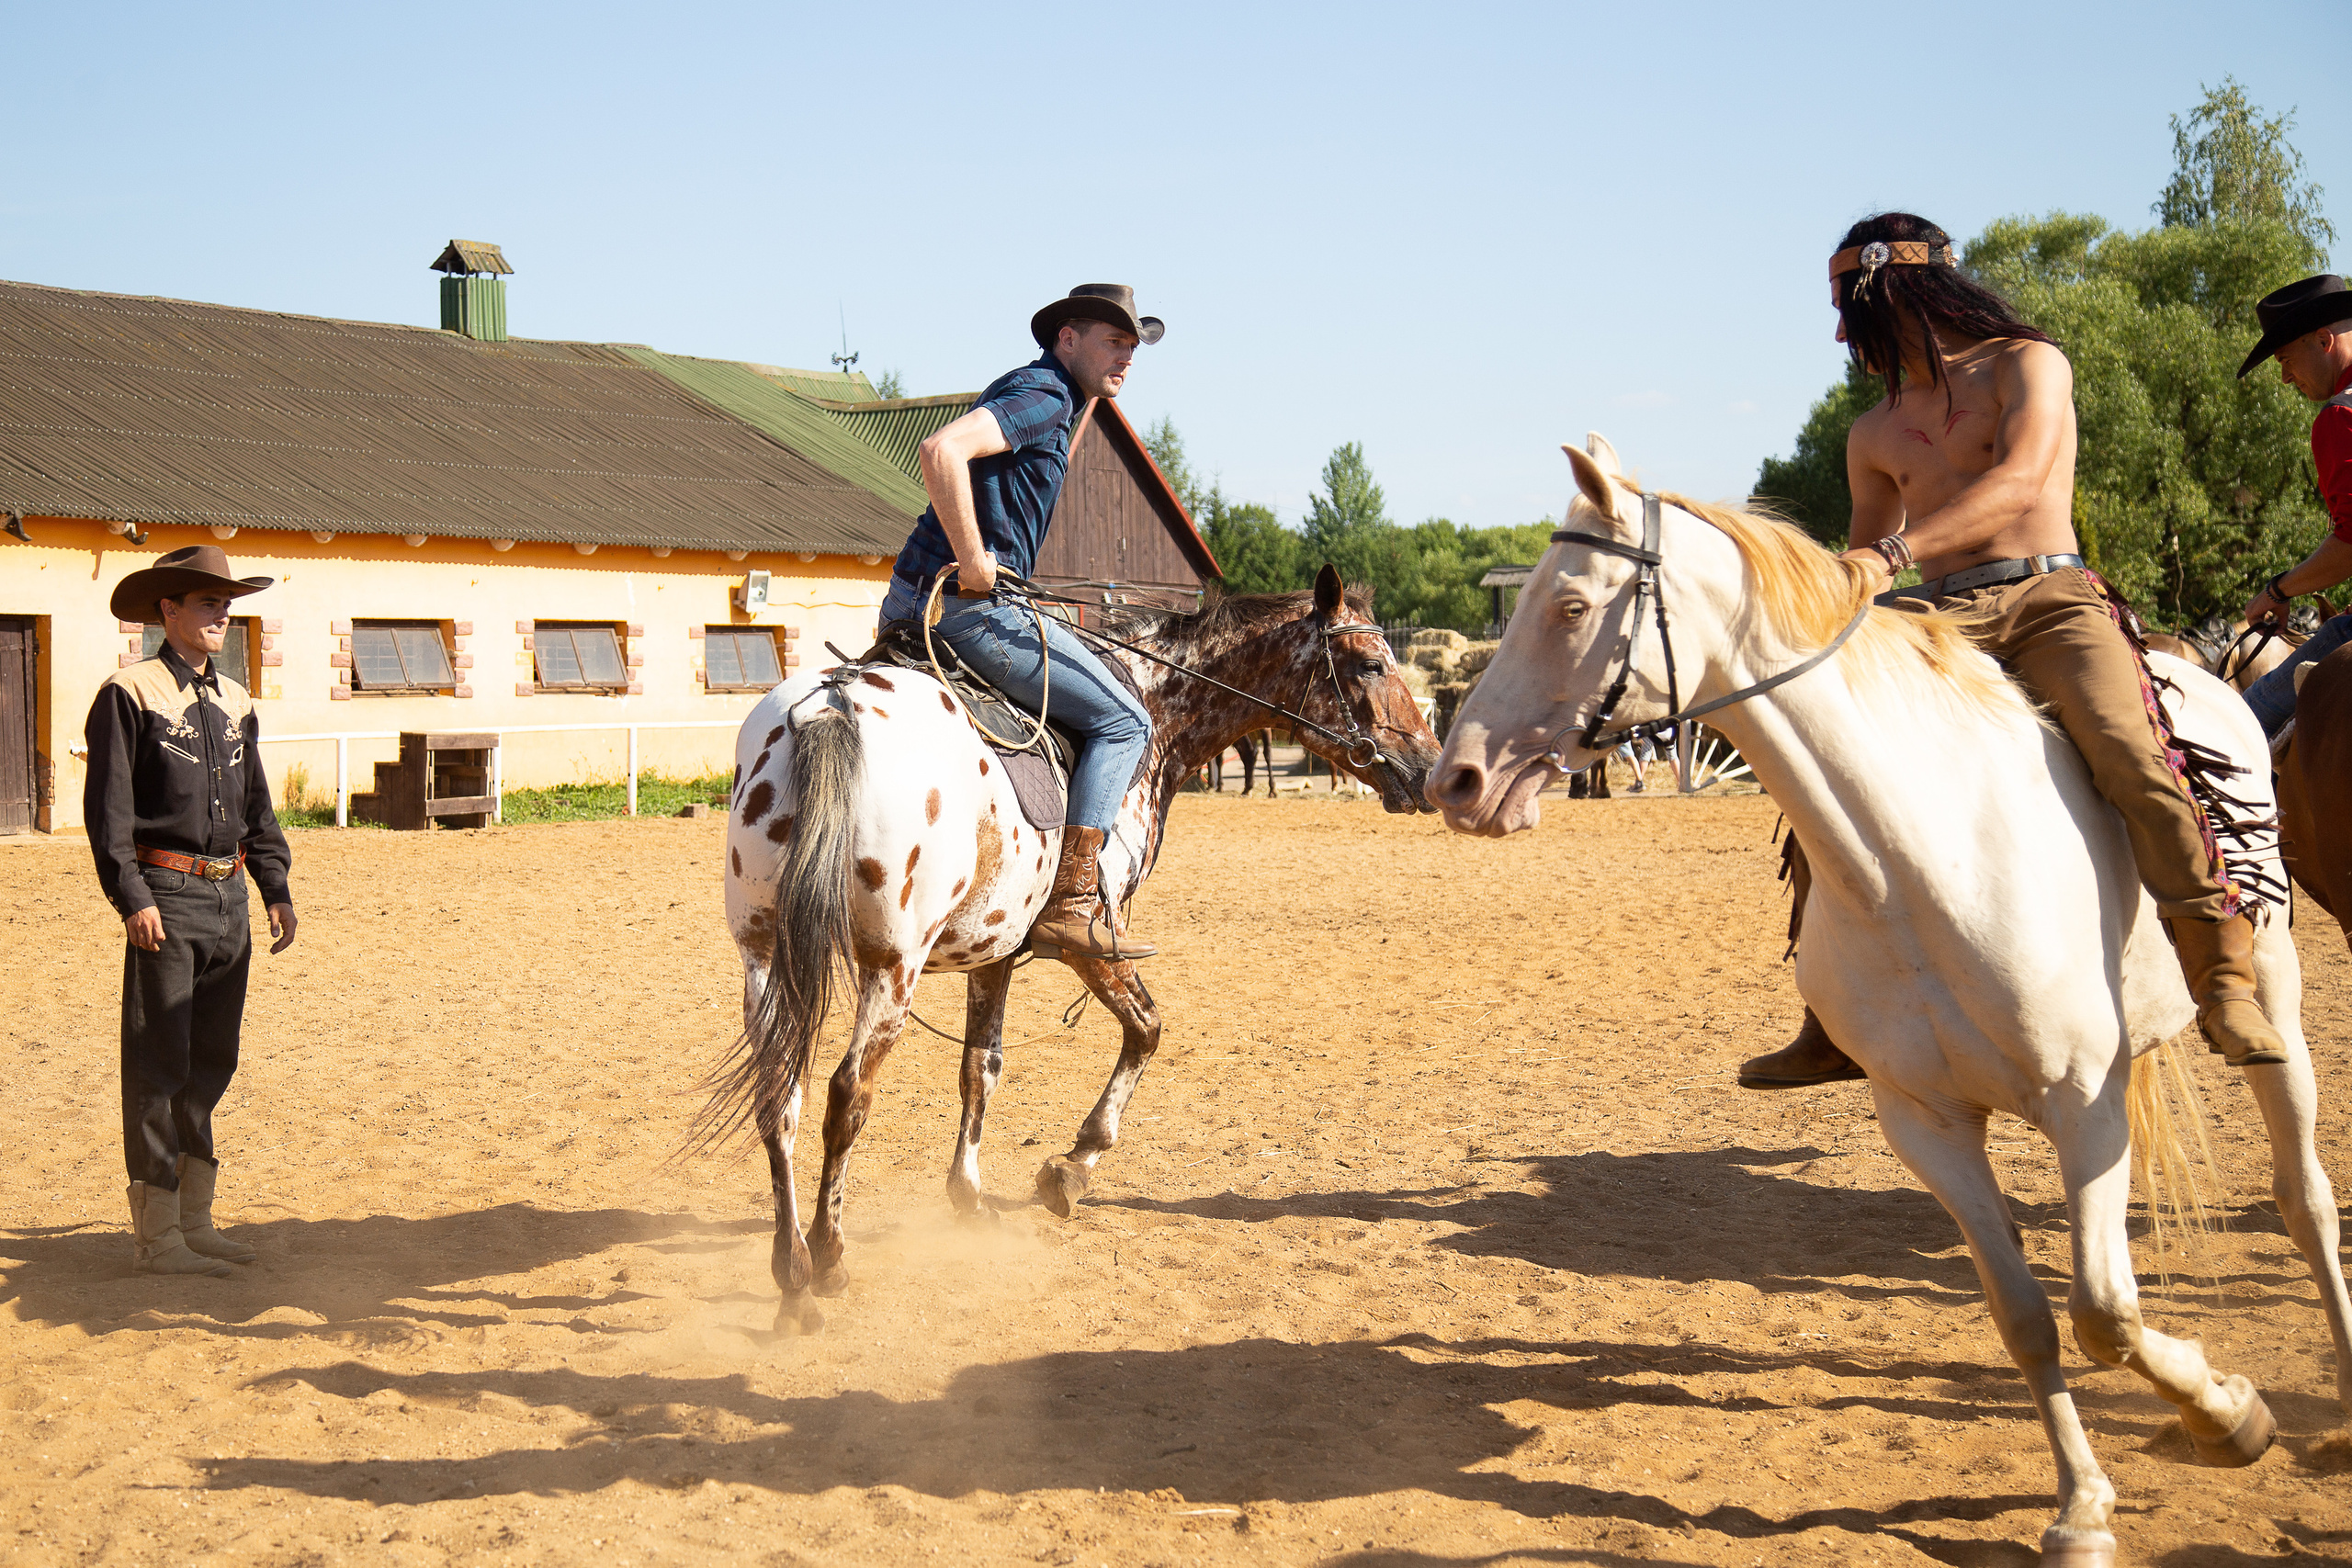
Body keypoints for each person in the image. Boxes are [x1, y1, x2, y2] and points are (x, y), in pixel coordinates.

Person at [1739, 212, 2287, 1089]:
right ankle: (1829, 1018)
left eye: (1848, 308)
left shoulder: (2029, 364)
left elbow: (2019, 483)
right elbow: (1862, 554)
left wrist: (1889, 557)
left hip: (2048, 597)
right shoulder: (1872, 434)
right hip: (1931, 616)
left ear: (1893, 291)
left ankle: (2223, 978)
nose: (1844, 334)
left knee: (2135, 753)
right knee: (1829, 775)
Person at [876, 284, 1164, 964]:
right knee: (1129, 721)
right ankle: (1068, 905)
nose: (1126, 356)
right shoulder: (1044, 396)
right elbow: (941, 448)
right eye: (1112, 340)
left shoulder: (1051, 400)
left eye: (1132, 346)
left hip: (911, 601)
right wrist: (976, 559)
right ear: (1068, 338)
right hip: (964, 609)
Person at [85, 545, 297, 1276]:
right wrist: (130, 895)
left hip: (228, 897)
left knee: (211, 1060)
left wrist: (275, 886)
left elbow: (257, 807)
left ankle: (196, 1219)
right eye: (207, 602)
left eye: (226, 603)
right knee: (158, 1062)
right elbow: (107, 810)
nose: (222, 614)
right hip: (166, 898)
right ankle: (157, 1235)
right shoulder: (130, 691)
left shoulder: (237, 700)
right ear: (167, 610)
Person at [2231, 276, 2352, 735]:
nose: (2284, 376)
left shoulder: (2341, 417)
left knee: (2238, 728)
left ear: (2324, 340)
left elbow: (2350, 544)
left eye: (2285, 359)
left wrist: (2278, 591)